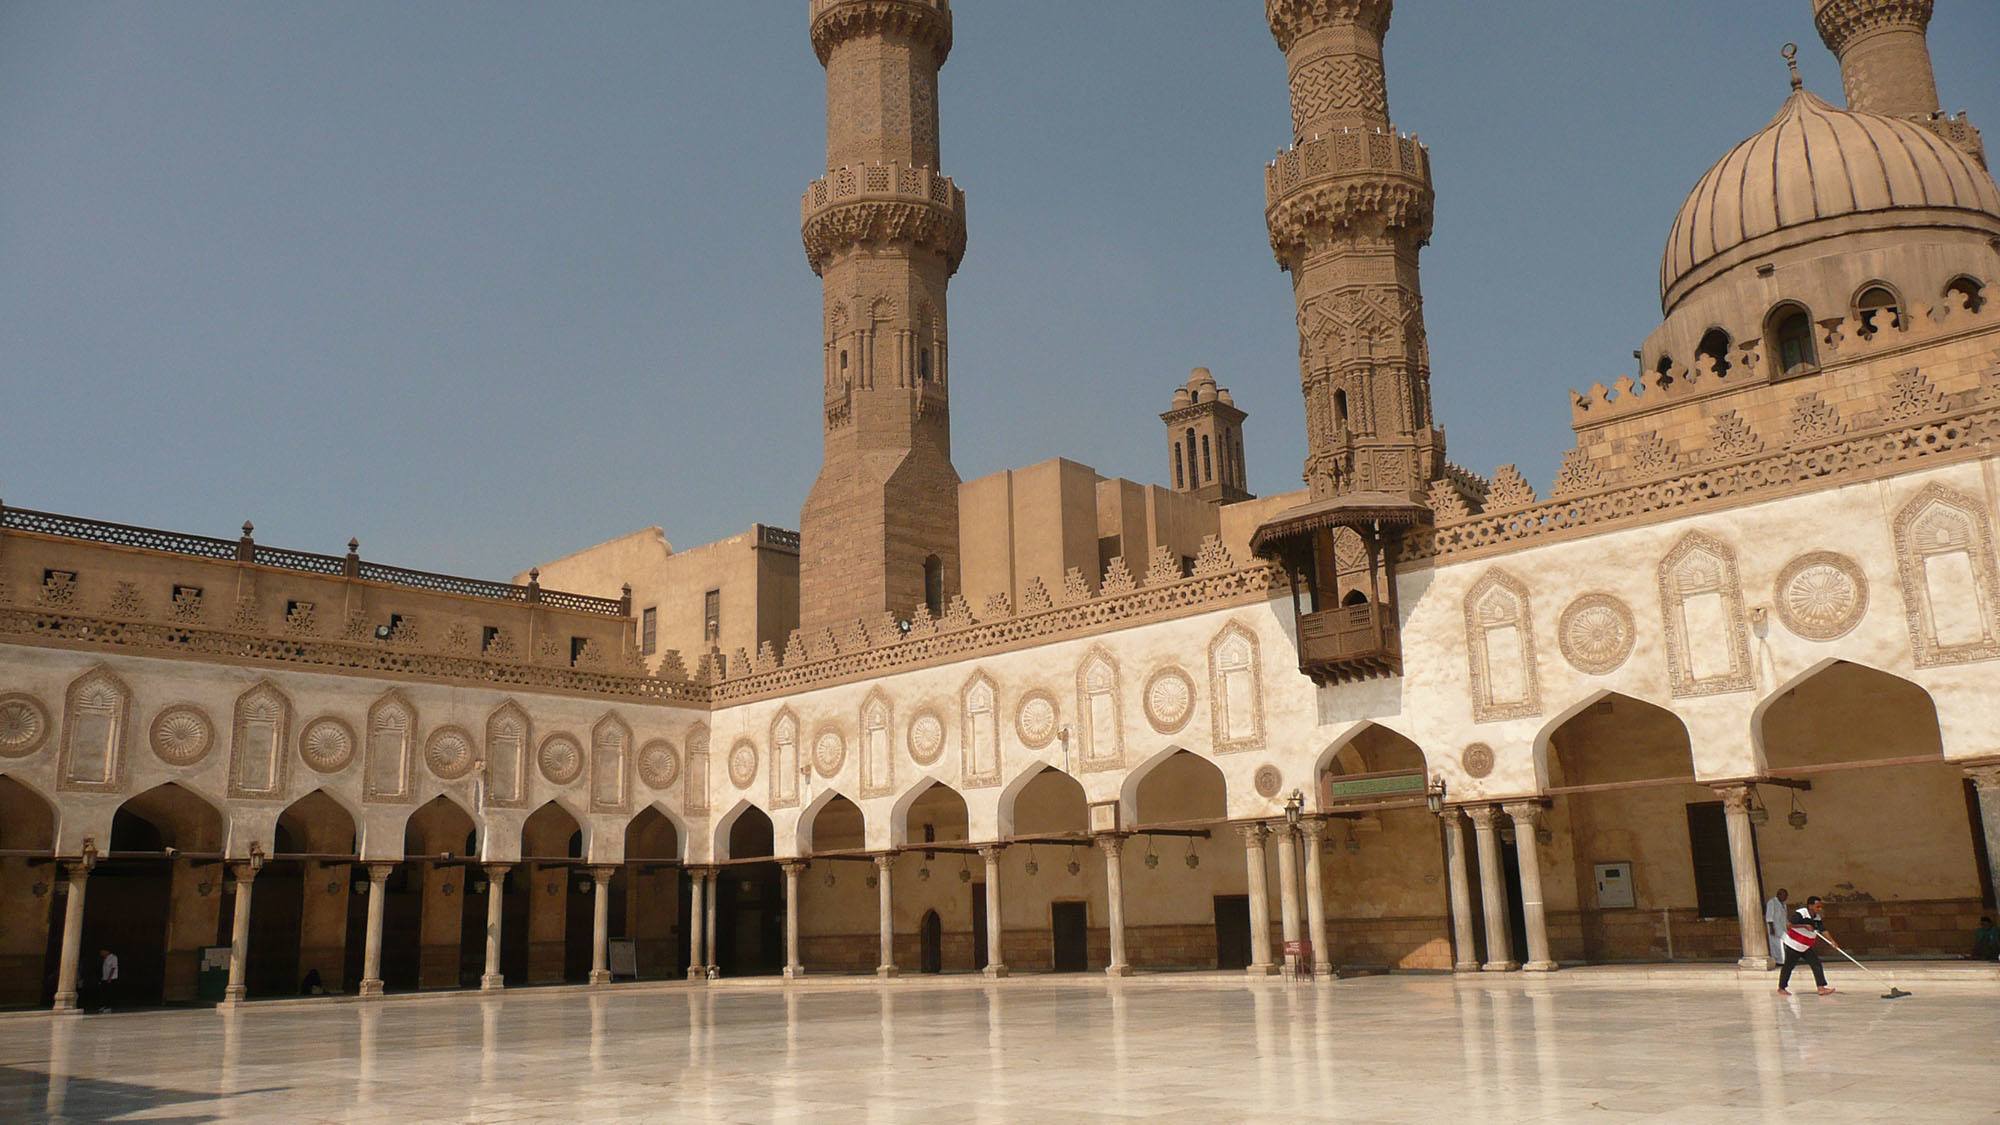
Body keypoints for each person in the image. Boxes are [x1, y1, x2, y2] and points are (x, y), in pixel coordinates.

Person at [1777, 896, 1838, 996]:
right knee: (1789, 966)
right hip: (1794, 945)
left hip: (1805, 946)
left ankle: (1821, 988)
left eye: (1820, 907)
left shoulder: (1817, 917)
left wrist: (1832, 941)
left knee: (1816, 963)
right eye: (1817, 906)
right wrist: (1804, 926)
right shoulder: (1801, 913)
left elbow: (1823, 930)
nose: (1820, 909)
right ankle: (1781, 988)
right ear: (1810, 906)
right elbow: (1789, 925)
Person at [1763, 888, 1789, 967]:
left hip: (1783, 927)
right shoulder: (1772, 902)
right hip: (1774, 927)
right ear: (1778, 895)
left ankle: (1784, 960)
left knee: (1784, 944)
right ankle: (1779, 961)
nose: (1785, 897)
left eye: (1786, 896)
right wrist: (1771, 928)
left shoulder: (1784, 904)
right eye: (1784, 895)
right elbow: (1769, 916)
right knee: (1776, 945)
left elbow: (1785, 917)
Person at [97, 948, 119, 1013]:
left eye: (102, 952)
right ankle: (104, 1006)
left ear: (106, 951)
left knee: (109, 993)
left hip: (111, 978)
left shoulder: (113, 957)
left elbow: (113, 968)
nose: (101, 953)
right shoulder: (105, 958)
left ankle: (109, 1007)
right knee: (104, 993)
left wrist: (109, 978)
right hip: (104, 978)